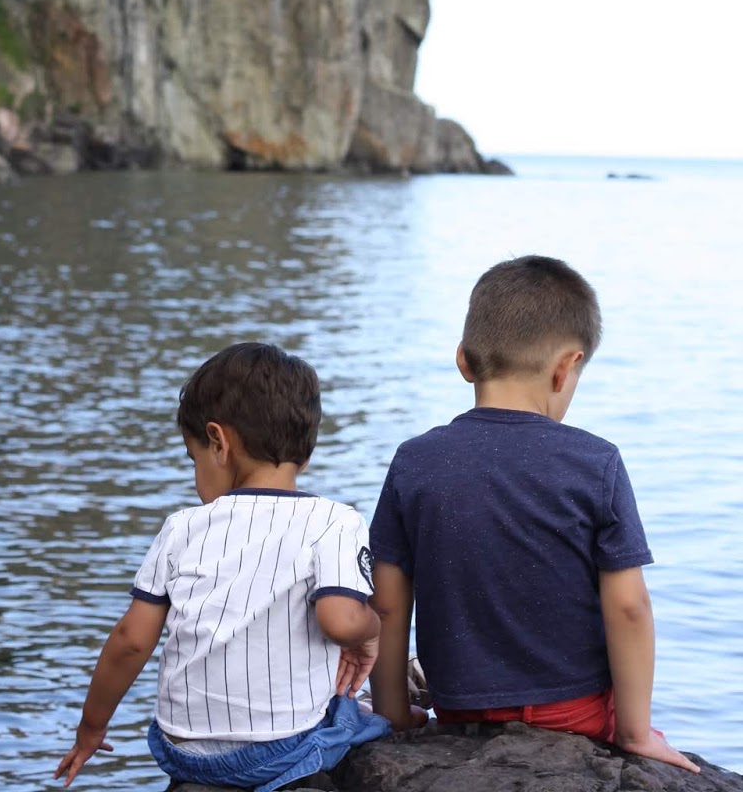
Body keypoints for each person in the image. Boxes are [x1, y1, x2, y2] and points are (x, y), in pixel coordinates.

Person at [368, 255, 698, 774]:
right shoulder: (597, 461)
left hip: (457, 707)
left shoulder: (414, 460)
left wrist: (392, 713)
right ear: (565, 367)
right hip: (574, 712)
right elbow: (630, 607)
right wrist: (635, 734)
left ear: (464, 360)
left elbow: (387, 605)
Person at [55, 341, 390, 789]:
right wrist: (371, 632)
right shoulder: (335, 520)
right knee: (356, 714)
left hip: (185, 752)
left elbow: (131, 641)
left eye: (193, 460)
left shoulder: (181, 528)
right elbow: (341, 620)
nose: (196, 475)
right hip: (279, 746)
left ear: (218, 442)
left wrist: (92, 728)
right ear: (304, 455)